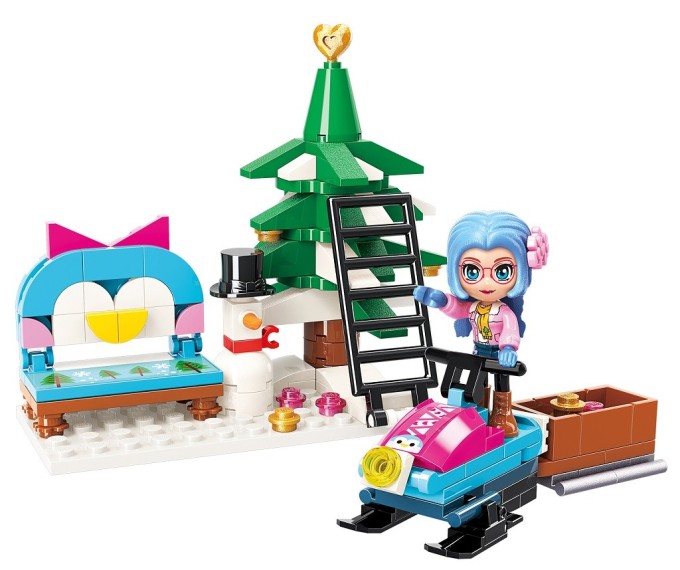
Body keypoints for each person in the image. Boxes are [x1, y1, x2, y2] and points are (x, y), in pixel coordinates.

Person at [414, 211, 548, 437]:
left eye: (502, 271)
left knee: (501, 379)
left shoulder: (504, 311)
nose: (486, 283)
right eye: (472, 271)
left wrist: (508, 348)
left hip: (499, 355)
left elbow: (510, 329)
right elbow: (458, 309)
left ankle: (503, 412)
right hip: (477, 351)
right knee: (478, 380)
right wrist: (441, 300)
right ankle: (480, 409)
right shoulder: (473, 306)